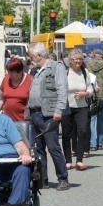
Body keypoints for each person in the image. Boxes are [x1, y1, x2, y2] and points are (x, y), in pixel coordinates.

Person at [27, 42, 70, 191]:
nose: (30, 59)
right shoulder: (36, 70)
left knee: (53, 147)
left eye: (32, 56)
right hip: (35, 113)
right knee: (38, 149)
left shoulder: (56, 67)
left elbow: (62, 90)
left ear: (39, 55)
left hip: (49, 113)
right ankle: (42, 179)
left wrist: (59, 110)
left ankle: (63, 178)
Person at [62, 48, 94, 171]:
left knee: (83, 132)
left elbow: (90, 88)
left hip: (82, 107)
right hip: (67, 107)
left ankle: (79, 161)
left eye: (81, 59)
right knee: (66, 134)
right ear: (70, 60)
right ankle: (68, 161)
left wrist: (85, 93)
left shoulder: (85, 72)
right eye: (76, 59)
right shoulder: (65, 72)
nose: (79, 61)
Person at [0, 58, 31, 122]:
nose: (9, 75)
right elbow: (1, 99)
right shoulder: (6, 79)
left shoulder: (30, 80)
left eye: (12, 73)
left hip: (23, 121)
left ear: (20, 71)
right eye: (8, 72)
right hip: (7, 121)